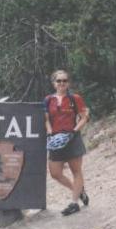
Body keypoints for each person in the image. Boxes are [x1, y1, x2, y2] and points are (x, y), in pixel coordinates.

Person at [44, 70, 90, 216]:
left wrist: (74, 131)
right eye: (59, 81)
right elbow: (46, 119)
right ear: (54, 83)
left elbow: (84, 117)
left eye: (64, 80)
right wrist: (50, 132)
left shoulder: (74, 98)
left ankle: (74, 203)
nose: (62, 83)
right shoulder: (48, 100)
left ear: (68, 83)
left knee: (76, 171)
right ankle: (79, 191)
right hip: (55, 140)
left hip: (72, 138)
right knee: (55, 173)